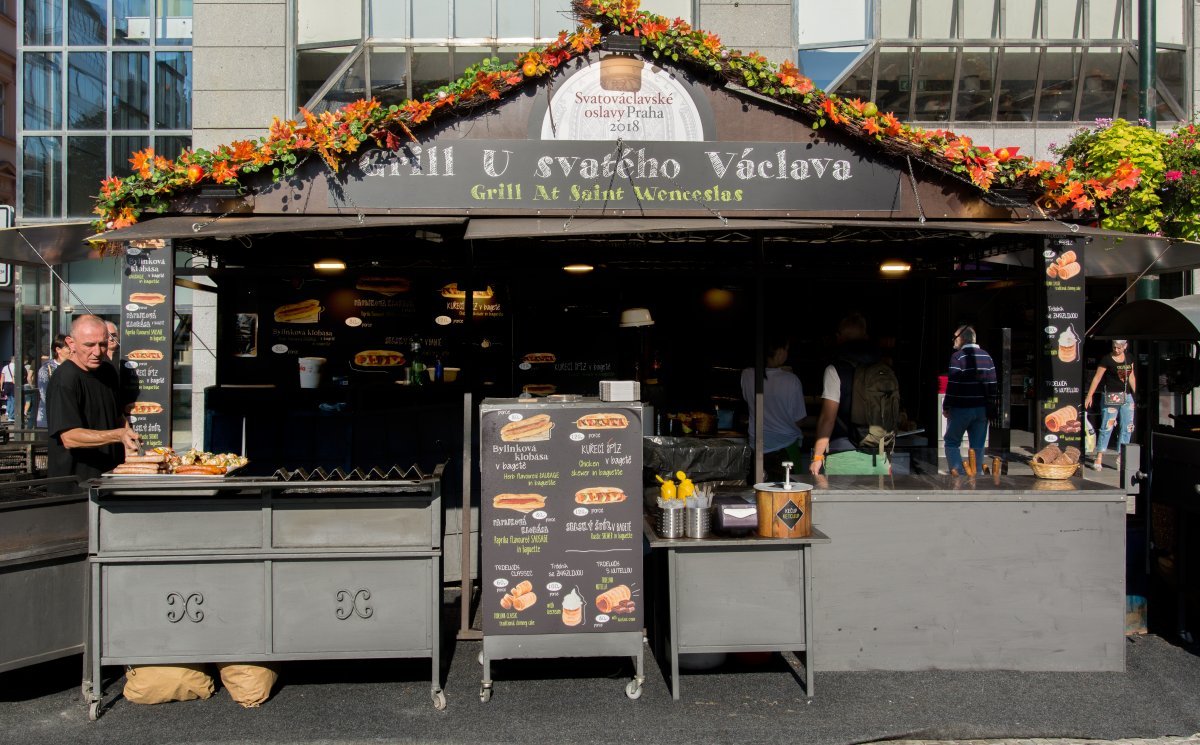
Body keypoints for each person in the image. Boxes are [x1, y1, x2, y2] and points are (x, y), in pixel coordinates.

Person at [46, 315, 140, 484]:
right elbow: (69, 437)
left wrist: (131, 447)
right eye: (89, 345)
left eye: (102, 344)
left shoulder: (108, 371)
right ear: (71, 343)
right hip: (76, 486)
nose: (97, 352)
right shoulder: (65, 379)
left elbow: (117, 416)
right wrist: (118, 435)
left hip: (111, 478)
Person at [809, 313, 878, 476]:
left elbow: (828, 418)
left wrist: (817, 457)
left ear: (839, 338)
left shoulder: (835, 370)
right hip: (878, 453)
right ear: (866, 337)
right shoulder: (880, 368)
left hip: (843, 453)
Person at [740, 333, 806, 482]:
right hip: (786, 448)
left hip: (757, 449)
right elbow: (799, 420)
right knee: (791, 493)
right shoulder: (791, 380)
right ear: (780, 351)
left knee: (759, 492)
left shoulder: (746, 375)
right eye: (787, 349)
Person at [942, 325, 999, 476]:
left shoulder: (958, 357)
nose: (953, 341)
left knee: (952, 442)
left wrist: (946, 405)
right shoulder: (987, 356)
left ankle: (958, 475)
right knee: (978, 446)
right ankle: (977, 476)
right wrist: (990, 404)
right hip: (981, 409)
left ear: (962, 338)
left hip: (961, 408)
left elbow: (953, 384)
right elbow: (993, 384)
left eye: (955, 337)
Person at [1084, 339, 1137, 471]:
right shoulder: (1107, 359)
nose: (1116, 350)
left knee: (1127, 427)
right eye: (1114, 347)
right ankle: (1099, 456)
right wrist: (1089, 395)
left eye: (1119, 348)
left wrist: (1135, 394)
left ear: (1125, 346)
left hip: (1126, 396)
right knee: (1107, 426)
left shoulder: (1129, 358)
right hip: (1111, 396)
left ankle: (1121, 457)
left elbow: (1131, 376)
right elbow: (1097, 377)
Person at [36, 336, 69, 428]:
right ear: (58, 350)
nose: (72, 350)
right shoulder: (46, 369)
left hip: (69, 419)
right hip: (49, 419)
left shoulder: (74, 367)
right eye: (68, 347)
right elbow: (45, 395)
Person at [0, 356, 14, 421]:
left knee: (9, 399)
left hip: (6, 384)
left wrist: (1, 387)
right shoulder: (16, 367)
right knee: (13, 400)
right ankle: (11, 416)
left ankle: (7, 412)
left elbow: (2, 378)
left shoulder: (5, 367)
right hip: (13, 384)